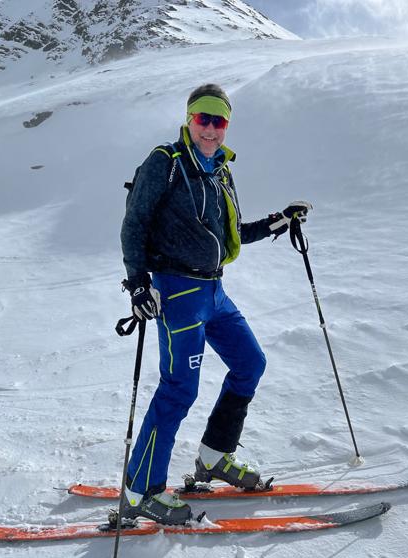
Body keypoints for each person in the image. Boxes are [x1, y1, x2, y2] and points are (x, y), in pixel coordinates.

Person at [119, 83, 311, 525]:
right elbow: (135, 224)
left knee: (250, 364)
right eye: (203, 119)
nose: (210, 129)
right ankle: (142, 491)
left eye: (218, 121)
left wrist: (279, 222)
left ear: (226, 126)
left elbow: (230, 234)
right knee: (179, 389)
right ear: (190, 119)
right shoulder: (165, 162)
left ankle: (214, 457)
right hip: (177, 293)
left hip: (214, 292)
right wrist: (137, 285)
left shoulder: (219, 171)